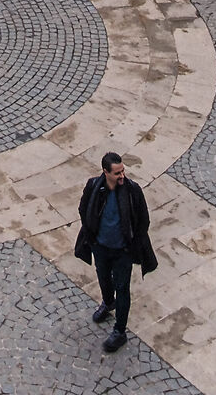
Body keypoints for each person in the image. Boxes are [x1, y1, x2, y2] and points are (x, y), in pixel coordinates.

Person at [73, 151, 156, 353]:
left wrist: (132, 245)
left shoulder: (132, 191)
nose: (122, 176)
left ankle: (120, 331)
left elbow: (143, 220)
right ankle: (108, 303)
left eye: (123, 171)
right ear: (105, 172)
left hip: (122, 251)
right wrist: (92, 237)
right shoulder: (94, 186)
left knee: (123, 288)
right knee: (103, 278)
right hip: (100, 246)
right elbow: (83, 210)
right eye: (117, 173)